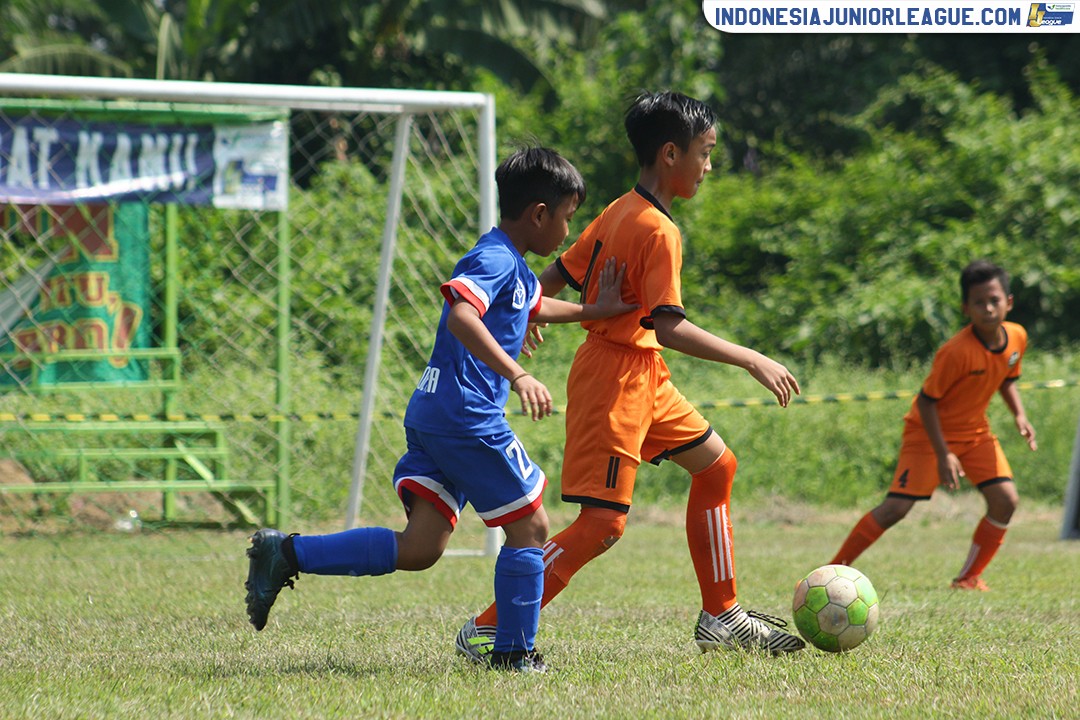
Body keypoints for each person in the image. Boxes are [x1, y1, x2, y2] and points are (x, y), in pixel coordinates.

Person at [243, 146, 638, 673]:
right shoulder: (493, 258)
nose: (568, 232)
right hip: (467, 417)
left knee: (421, 546)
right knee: (531, 527)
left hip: (435, 414)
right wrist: (518, 373)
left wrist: (594, 310)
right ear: (540, 214)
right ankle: (514, 653)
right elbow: (461, 316)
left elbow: (533, 305)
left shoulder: (515, 266)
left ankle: (287, 553)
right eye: (568, 218)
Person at [456, 90, 806, 661]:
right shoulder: (658, 229)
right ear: (670, 154)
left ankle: (722, 616)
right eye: (704, 153)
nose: (709, 166)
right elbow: (669, 326)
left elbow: (555, 274)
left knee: (716, 465)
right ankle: (488, 627)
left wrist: (524, 312)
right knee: (601, 524)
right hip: (614, 380)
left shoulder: (619, 208)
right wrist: (751, 357)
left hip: (645, 375)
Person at [830, 259, 1036, 590]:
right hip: (928, 434)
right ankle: (829, 572)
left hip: (975, 433)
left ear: (1008, 302)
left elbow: (1007, 377)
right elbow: (927, 402)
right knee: (895, 508)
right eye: (979, 302)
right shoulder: (955, 352)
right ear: (965, 308)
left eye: (994, 300)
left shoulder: (1017, 337)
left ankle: (968, 578)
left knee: (1005, 500)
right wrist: (943, 454)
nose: (988, 308)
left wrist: (1019, 415)